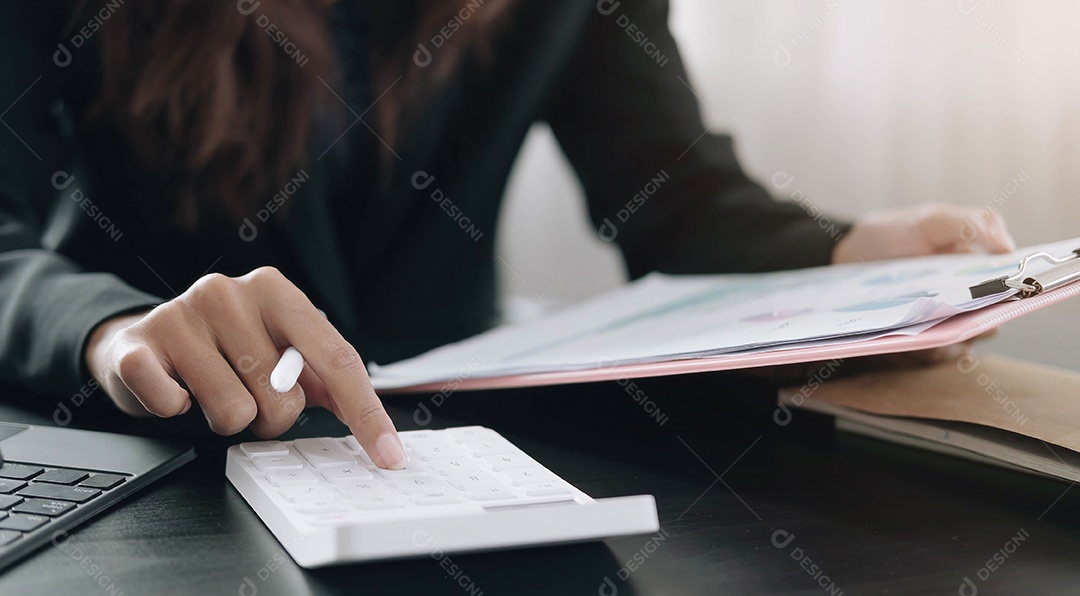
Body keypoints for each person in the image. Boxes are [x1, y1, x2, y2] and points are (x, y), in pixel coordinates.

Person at [0, 0, 1013, 470]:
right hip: (154, 463)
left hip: (457, 456)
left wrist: (840, 253)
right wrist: (110, 327)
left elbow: (676, 197)